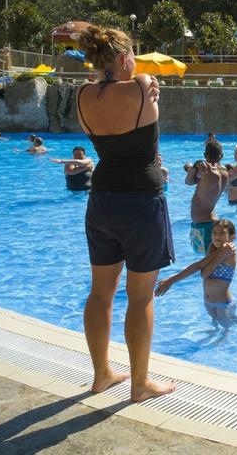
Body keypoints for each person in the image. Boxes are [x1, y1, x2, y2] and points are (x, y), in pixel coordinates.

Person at [75, 24, 174, 402]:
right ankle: (139, 385)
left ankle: (101, 375)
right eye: (132, 53)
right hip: (141, 205)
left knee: (100, 292)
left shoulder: (82, 95)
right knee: (140, 296)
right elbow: (146, 83)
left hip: (101, 201)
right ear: (122, 57)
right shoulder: (141, 86)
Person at [155, 219, 237, 327]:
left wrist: (171, 281)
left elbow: (202, 270)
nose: (217, 236)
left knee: (226, 333)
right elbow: (203, 272)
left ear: (232, 237)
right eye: (214, 232)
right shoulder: (211, 248)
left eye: (222, 233)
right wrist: (219, 253)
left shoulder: (229, 252)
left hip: (223, 304)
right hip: (209, 302)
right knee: (215, 326)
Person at [184, 139, 228, 255]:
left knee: (207, 265)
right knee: (213, 263)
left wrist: (195, 165)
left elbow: (188, 181)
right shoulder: (225, 172)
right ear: (221, 156)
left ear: (205, 155)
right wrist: (192, 167)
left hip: (204, 226)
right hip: (212, 222)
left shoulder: (205, 170)